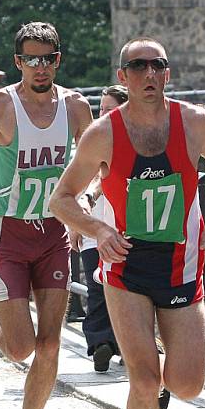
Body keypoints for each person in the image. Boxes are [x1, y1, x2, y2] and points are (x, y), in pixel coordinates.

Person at [50, 36, 205, 409]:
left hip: (181, 268)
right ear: (123, 77)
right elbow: (62, 198)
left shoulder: (194, 122)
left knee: (189, 383)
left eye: (158, 65)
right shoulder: (103, 133)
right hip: (125, 269)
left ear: (168, 73)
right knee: (141, 376)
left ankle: (160, 385)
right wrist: (97, 229)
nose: (149, 74)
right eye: (138, 67)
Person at [0, 22, 93, 409]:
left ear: (59, 59)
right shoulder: (0, 104)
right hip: (10, 232)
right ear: (18, 62)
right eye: (31, 59)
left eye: (48, 58)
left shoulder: (75, 106)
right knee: (19, 348)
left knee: (51, 342)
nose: (40, 67)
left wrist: (85, 208)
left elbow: (95, 161)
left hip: (54, 233)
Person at [71, 85, 128, 372]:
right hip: (94, 228)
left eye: (109, 108)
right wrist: (74, 224)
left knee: (119, 290)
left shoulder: (132, 141)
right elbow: (81, 181)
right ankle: (104, 343)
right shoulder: (94, 139)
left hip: (122, 230)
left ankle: (112, 341)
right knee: (98, 288)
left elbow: (100, 178)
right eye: (101, 108)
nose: (102, 114)